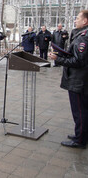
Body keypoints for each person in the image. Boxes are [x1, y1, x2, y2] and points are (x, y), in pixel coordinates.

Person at [49, 10, 88, 149]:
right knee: (82, 109)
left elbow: (78, 61)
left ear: (85, 21)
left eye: (78, 18)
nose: (75, 20)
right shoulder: (81, 34)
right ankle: (81, 135)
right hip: (81, 79)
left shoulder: (83, 37)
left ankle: (80, 140)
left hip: (78, 80)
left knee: (80, 111)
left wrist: (58, 58)